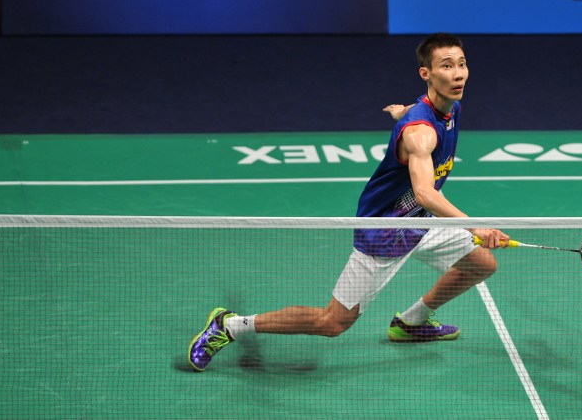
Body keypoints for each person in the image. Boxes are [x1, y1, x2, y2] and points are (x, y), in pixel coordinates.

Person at [188, 32, 510, 372]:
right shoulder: (420, 133)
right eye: (447, 66)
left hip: (420, 221)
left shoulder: (449, 108)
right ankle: (229, 326)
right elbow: (425, 192)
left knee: (482, 264)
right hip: (385, 231)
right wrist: (475, 225)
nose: (458, 74)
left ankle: (410, 323)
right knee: (333, 322)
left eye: (462, 64)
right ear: (425, 73)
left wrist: (403, 112)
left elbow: (419, 125)